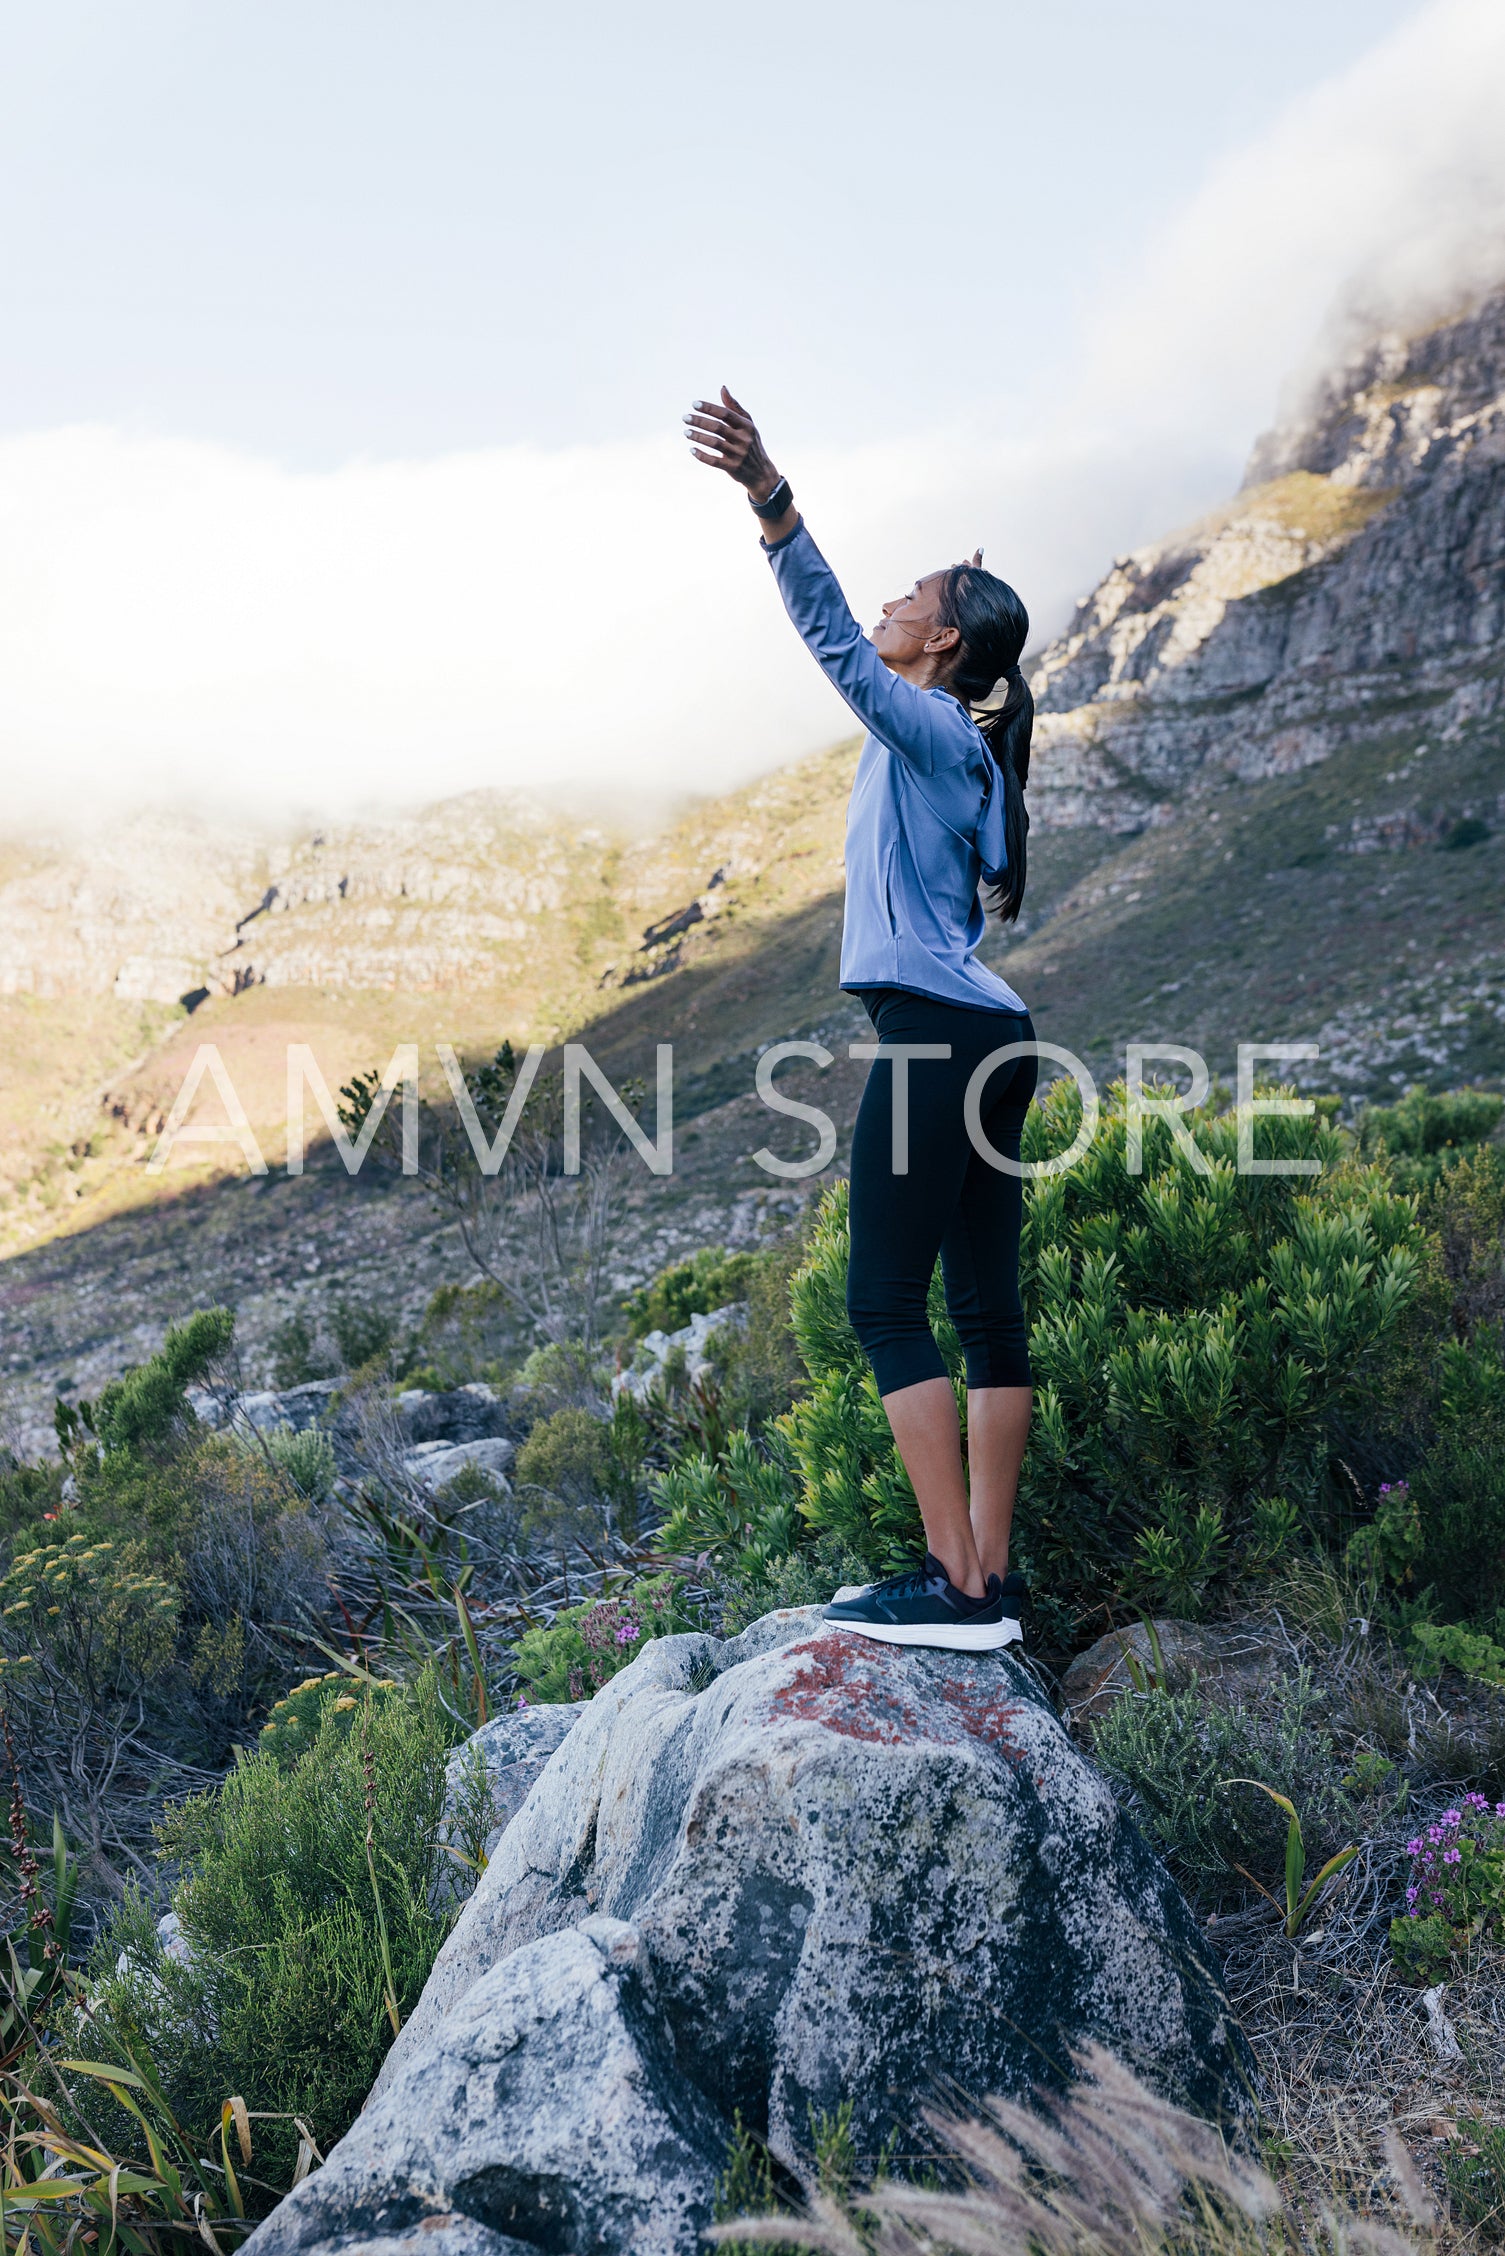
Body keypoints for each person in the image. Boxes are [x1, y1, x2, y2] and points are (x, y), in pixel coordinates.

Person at [685, 388, 1037, 1654]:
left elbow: (835, 641)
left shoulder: (930, 723)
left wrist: (771, 499)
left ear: (940, 647)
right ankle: (985, 1579)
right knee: (987, 1310)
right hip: (993, 1038)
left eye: (914, 599)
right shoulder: (973, 751)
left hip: (940, 1036)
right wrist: (974, 606)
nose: (892, 603)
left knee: (882, 1301)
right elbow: (896, 647)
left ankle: (950, 1583)